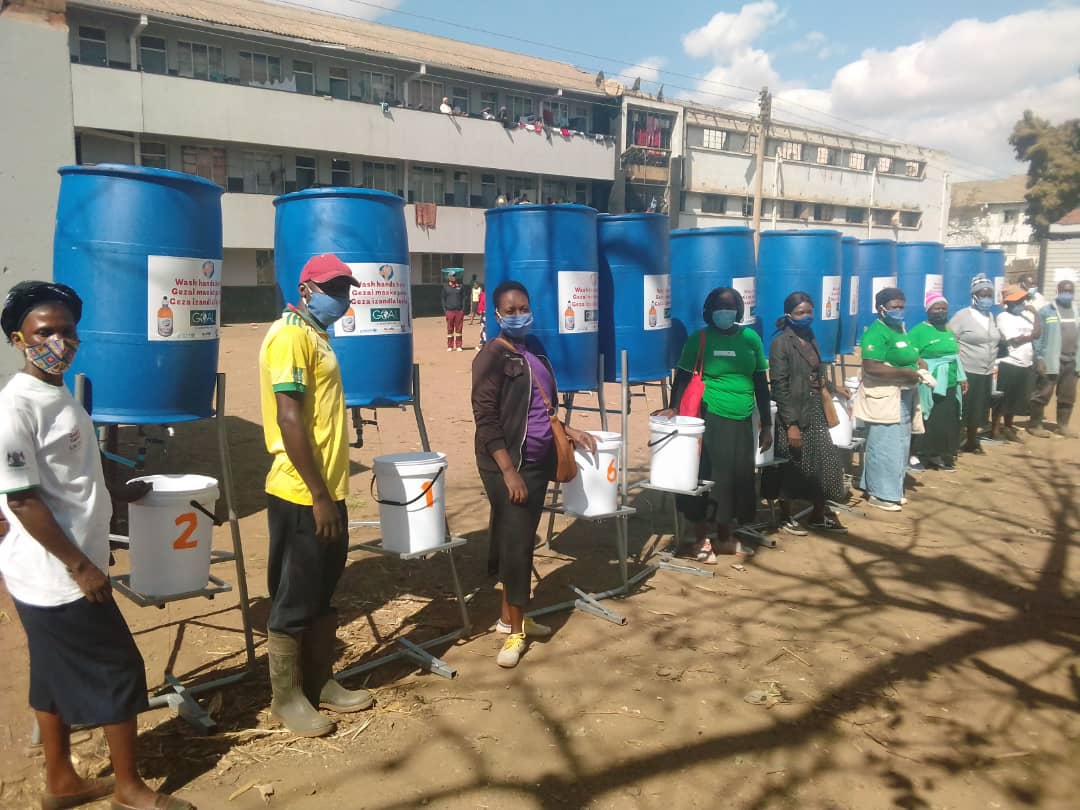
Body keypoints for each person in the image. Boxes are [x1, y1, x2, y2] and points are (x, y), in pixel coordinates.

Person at [0, 281, 196, 810]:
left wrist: (116, 492)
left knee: (50, 672)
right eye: (46, 332)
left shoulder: (57, 391)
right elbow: (21, 501)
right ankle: (130, 790)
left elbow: (70, 469)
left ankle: (62, 782)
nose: (59, 341)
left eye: (67, 331)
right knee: (119, 671)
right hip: (57, 574)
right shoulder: (15, 407)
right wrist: (81, 566)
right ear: (20, 338)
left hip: (55, 567)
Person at [258, 254, 373, 738]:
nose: (342, 297)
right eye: (332, 287)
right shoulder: (288, 335)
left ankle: (321, 681)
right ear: (306, 289)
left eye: (346, 288)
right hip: (302, 492)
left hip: (329, 490)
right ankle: (286, 698)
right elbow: (289, 419)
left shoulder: (317, 336)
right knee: (294, 596)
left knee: (324, 591)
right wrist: (319, 496)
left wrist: (332, 494)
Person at [471, 281, 597, 668]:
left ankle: (511, 616)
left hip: (539, 461)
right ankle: (516, 634)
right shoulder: (489, 357)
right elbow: (486, 420)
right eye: (509, 310)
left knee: (518, 537)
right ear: (496, 314)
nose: (517, 314)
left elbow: (547, 407)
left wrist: (570, 431)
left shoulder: (535, 349)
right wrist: (509, 471)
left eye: (522, 307)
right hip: (508, 465)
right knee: (517, 544)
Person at [656, 287, 772, 562]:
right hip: (710, 416)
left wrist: (766, 423)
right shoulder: (700, 339)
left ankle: (725, 536)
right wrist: (674, 407)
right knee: (710, 479)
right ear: (709, 310)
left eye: (731, 306)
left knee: (737, 479)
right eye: (720, 306)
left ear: (739, 309)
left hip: (743, 417)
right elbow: (682, 377)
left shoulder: (751, 339)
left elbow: (760, 382)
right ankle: (700, 538)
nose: (725, 311)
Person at [762, 292, 849, 535]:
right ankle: (785, 515)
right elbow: (779, 384)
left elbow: (814, 373)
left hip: (814, 409)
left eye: (809, 312)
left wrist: (833, 388)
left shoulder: (810, 337)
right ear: (789, 315)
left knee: (826, 462)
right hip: (792, 411)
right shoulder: (781, 343)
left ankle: (818, 514)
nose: (806, 317)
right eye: (800, 312)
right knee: (792, 465)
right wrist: (790, 424)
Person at [854, 288, 927, 512]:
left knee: (900, 445)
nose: (899, 310)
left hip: (903, 395)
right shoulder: (876, 332)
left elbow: (907, 354)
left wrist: (919, 364)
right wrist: (906, 373)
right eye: (894, 307)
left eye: (901, 306)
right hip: (885, 396)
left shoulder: (899, 329)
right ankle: (881, 494)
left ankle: (880, 486)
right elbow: (872, 367)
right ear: (881, 308)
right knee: (884, 445)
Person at [910, 291, 967, 471]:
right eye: (937, 308)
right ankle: (916, 454)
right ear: (928, 310)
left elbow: (955, 355)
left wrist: (962, 377)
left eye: (944, 308)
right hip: (929, 383)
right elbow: (910, 354)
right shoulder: (918, 331)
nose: (941, 311)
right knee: (927, 418)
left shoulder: (948, 330)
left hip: (950, 382)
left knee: (945, 420)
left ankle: (937, 454)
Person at [948, 274, 1001, 454]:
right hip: (967, 370)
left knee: (979, 409)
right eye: (983, 294)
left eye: (989, 295)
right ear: (974, 296)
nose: (987, 298)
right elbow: (950, 339)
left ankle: (972, 441)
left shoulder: (991, 317)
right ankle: (954, 443)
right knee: (963, 407)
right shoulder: (962, 316)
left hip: (986, 371)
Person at [1030, 279, 1079, 437]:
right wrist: (1039, 358)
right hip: (1051, 360)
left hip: (1071, 361)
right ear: (1058, 291)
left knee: (1067, 396)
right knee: (1043, 393)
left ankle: (1063, 425)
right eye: (1064, 291)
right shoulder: (1047, 311)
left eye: (1070, 291)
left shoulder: (1077, 311)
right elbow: (1038, 337)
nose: (1067, 294)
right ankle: (1035, 425)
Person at [993, 286, 1041, 442]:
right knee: (1002, 399)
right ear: (1010, 303)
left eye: (1022, 300)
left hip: (1025, 363)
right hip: (1009, 363)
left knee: (1015, 399)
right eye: (1018, 301)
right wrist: (1031, 335)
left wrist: (1036, 315)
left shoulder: (1025, 317)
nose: (1022, 303)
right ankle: (995, 429)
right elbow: (1015, 340)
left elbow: (1038, 333)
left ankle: (1008, 427)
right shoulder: (1003, 317)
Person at [442, 272, 465, 352]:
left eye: (454, 276)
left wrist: (463, 310)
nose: (453, 277)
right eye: (452, 276)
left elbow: (463, 298)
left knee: (459, 330)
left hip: (459, 311)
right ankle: (450, 346)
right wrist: (445, 311)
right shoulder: (446, 287)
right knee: (450, 329)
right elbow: (443, 299)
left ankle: (459, 345)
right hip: (449, 311)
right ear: (449, 277)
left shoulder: (460, 286)